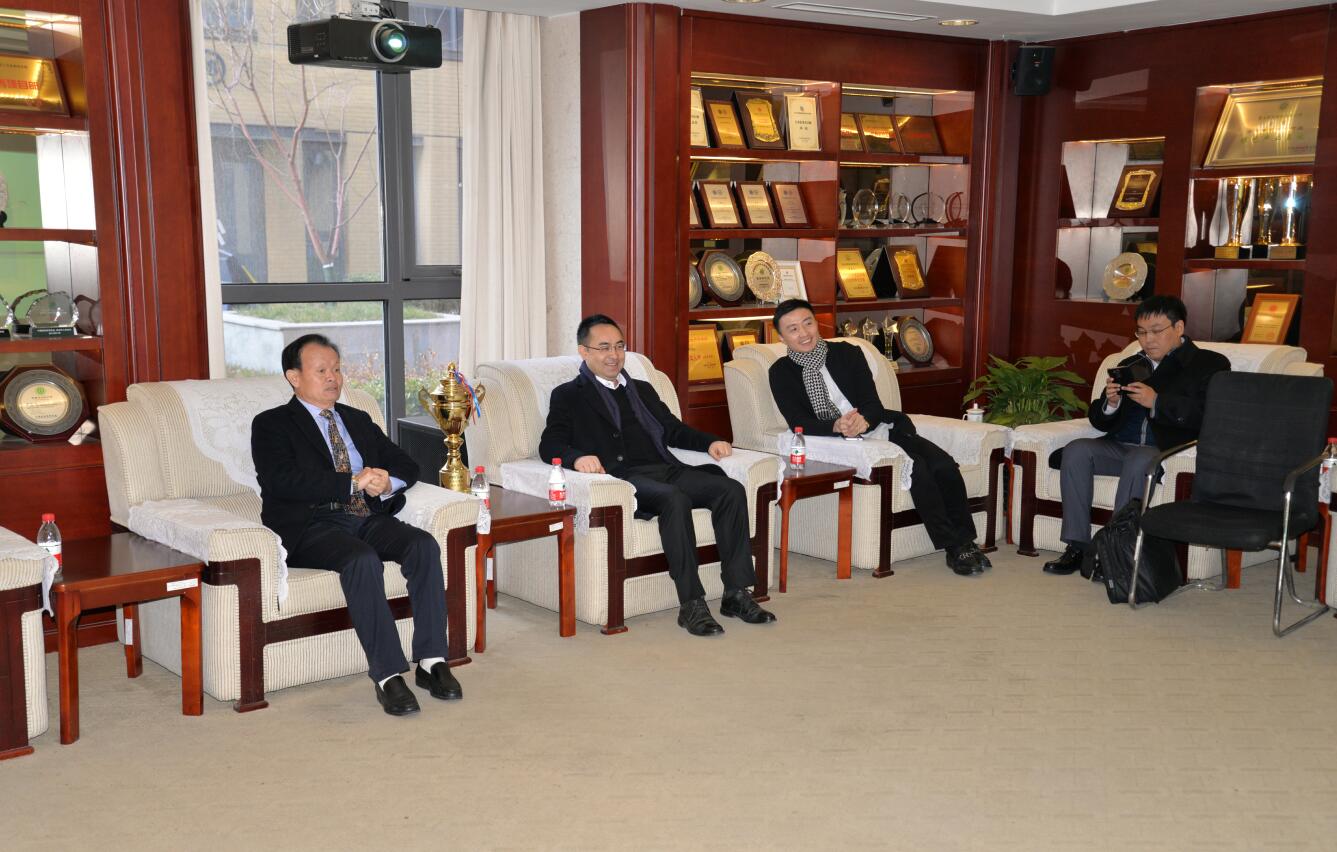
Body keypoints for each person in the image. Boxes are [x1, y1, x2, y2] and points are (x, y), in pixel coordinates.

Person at [251, 333, 461, 716]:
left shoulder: (357, 418)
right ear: (294, 377)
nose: (333, 377)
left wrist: (386, 481)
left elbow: (406, 463)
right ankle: (388, 675)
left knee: (422, 545)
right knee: (361, 559)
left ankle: (432, 661)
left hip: (366, 514)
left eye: (336, 369)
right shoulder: (272, 424)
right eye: (321, 371)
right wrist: (350, 482)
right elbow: (282, 480)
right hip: (311, 525)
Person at [539, 314, 776, 636]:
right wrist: (577, 458)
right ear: (584, 352)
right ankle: (692, 604)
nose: (614, 355)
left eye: (620, 346)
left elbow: (673, 430)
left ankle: (736, 593)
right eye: (604, 347)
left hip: (666, 468)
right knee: (674, 499)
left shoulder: (641, 389)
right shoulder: (569, 395)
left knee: (729, 489)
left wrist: (709, 442)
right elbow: (550, 444)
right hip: (625, 478)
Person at [767, 299, 990, 576]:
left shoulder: (847, 353)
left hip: (878, 427)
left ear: (816, 323)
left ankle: (967, 540)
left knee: (943, 464)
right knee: (918, 470)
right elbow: (797, 421)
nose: (803, 333)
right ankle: (954, 547)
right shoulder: (780, 372)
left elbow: (872, 402)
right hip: (838, 442)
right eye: (793, 329)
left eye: (807, 323)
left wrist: (864, 419)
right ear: (781, 337)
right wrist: (837, 426)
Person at [1043, 295, 1231, 574]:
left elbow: (1209, 415)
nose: (1148, 340)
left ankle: (1115, 550)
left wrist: (1157, 402)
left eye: (1156, 331)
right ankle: (1077, 546)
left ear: (1179, 327)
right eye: (1141, 332)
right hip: (1119, 446)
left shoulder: (1209, 364)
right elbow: (1099, 422)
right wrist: (1111, 403)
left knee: (1139, 459)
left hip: (1163, 449)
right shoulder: (1131, 364)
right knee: (1077, 450)